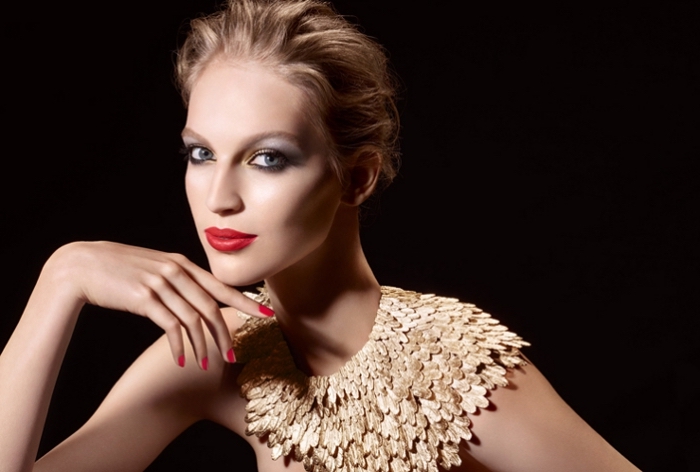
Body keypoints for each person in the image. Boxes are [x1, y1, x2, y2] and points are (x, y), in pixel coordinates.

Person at [0, 0, 643, 471]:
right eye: (201, 154)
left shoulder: (455, 371)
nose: (219, 197)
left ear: (355, 179)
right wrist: (63, 277)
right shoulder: (215, 353)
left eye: (268, 158)